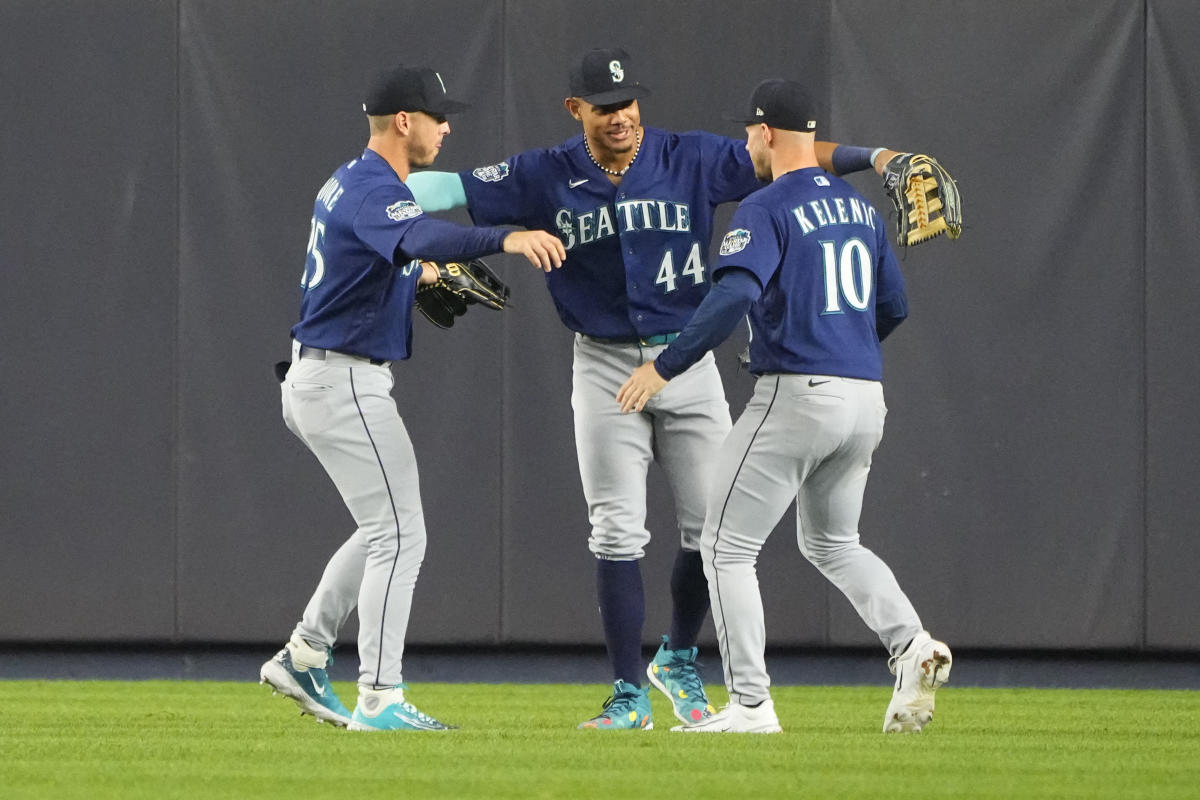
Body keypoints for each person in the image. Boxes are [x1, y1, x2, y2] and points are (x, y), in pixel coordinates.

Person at [407, 47, 921, 731]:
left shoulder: (692, 157)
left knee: (710, 528)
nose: (621, 116)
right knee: (616, 529)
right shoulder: (543, 172)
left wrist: (878, 157)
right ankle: (628, 694)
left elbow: (796, 152)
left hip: (688, 356)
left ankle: (678, 655)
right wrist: (370, 194)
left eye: (628, 102)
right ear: (576, 110)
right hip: (602, 362)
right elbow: (437, 192)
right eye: (605, 106)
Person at [616, 78, 951, 734]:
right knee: (833, 541)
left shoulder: (768, 205)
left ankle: (750, 704)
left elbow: (734, 294)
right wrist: (840, 348)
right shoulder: (859, 211)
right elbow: (895, 307)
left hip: (798, 394)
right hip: (863, 398)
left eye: (749, 132)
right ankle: (912, 645)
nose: (747, 143)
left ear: (767, 133)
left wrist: (665, 365)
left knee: (722, 547)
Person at [258, 63, 565, 732]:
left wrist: (415, 273)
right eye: (437, 115)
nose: (446, 126)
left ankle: (307, 652)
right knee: (402, 534)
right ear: (405, 121)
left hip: (327, 373)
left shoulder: (351, 181)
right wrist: (505, 236)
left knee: (383, 531)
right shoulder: (374, 189)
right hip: (343, 379)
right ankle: (380, 696)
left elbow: (393, 252)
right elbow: (419, 233)